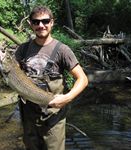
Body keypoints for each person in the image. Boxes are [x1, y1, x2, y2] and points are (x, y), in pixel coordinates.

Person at [15, 5, 88, 150]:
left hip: (53, 117)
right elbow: (14, 74)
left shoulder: (62, 50)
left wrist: (66, 98)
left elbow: (83, 79)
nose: (41, 25)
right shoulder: (22, 49)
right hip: (29, 115)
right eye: (36, 22)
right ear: (30, 24)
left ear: (52, 22)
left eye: (45, 21)